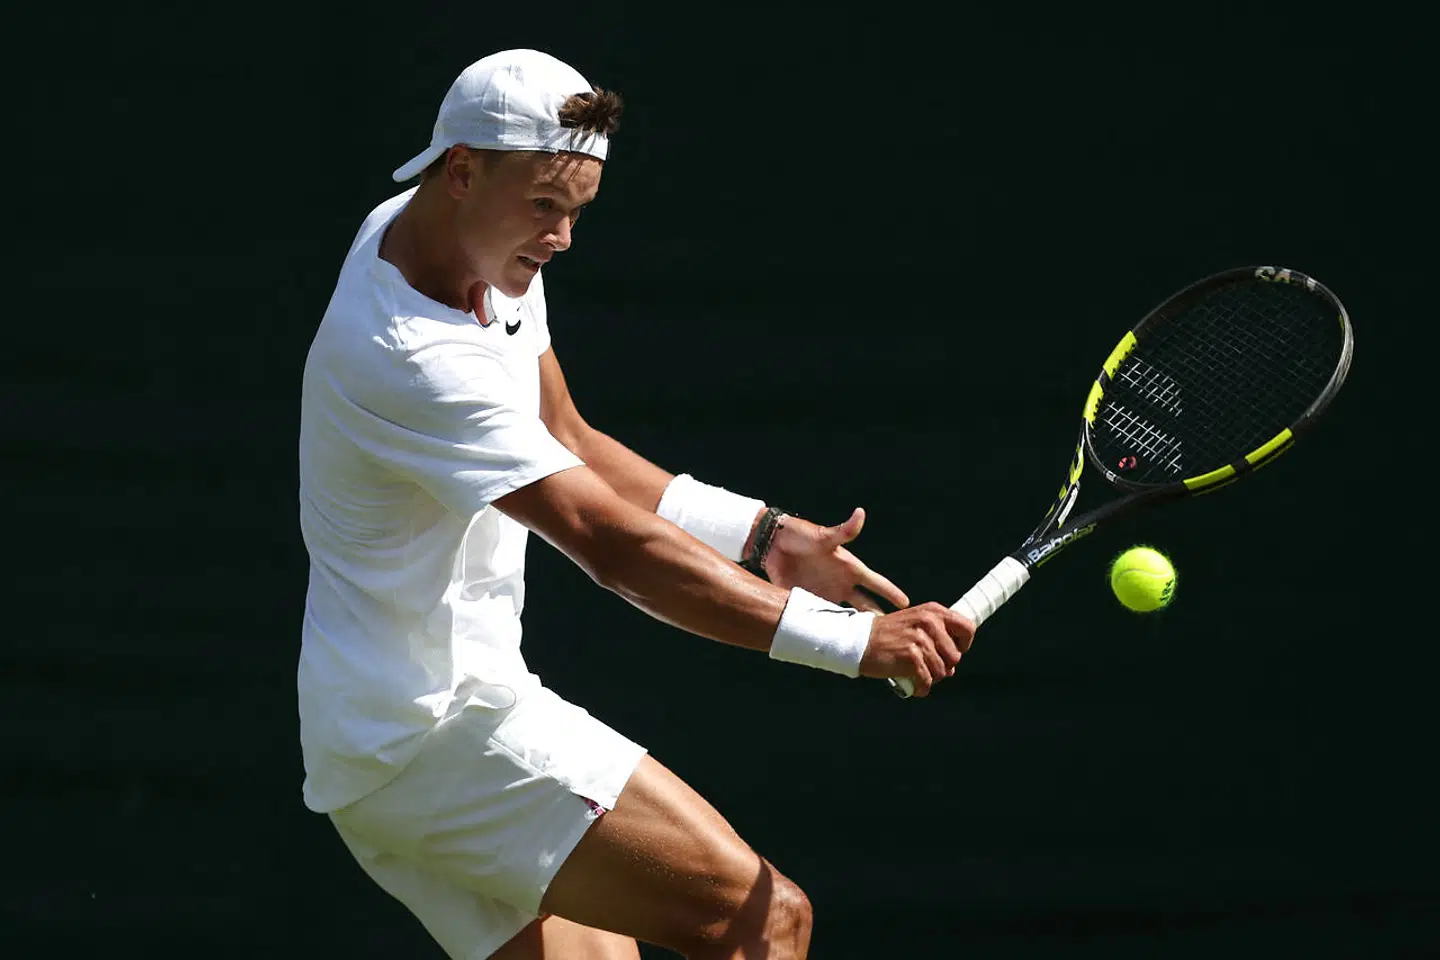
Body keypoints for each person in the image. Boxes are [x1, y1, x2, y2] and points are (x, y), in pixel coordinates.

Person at [297, 48, 975, 960]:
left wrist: (763, 536)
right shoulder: (410, 356)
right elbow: (610, 545)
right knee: (767, 921)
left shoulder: (448, 242)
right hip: (437, 734)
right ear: (461, 170)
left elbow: (568, 436)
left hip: (372, 752)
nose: (562, 238)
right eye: (544, 206)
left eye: (577, 211)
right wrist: (849, 644)